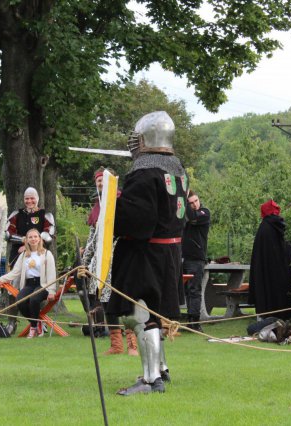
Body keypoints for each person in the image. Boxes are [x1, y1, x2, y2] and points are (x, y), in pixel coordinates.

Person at [106, 111, 188, 395]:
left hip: (145, 254)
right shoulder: (177, 169)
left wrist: (112, 209)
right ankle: (162, 368)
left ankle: (149, 379)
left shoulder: (144, 172)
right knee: (155, 311)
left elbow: (138, 220)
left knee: (141, 315)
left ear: (145, 139)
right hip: (168, 253)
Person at [82, 167, 138, 356]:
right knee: (107, 302)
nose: (100, 183)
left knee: (126, 301)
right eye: (98, 180)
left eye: (104, 180)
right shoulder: (97, 207)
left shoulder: (123, 203)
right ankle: (116, 345)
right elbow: (93, 239)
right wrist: (84, 262)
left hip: (121, 260)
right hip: (101, 264)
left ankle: (132, 343)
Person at [0, 228, 57, 337]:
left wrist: (52, 291)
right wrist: (1, 279)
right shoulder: (24, 255)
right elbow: (15, 272)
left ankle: (33, 328)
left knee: (34, 299)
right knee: (20, 300)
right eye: (30, 237)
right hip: (29, 284)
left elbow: (52, 274)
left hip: (43, 285)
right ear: (27, 240)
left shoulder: (47, 254)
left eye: (35, 237)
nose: (33, 239)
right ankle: (36, 322)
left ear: (39, 239)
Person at [248, 200, 291, 320]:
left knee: (267, 287)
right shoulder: (279, 225)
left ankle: (268, 315)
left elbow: (259, 256)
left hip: (267, 269)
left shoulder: (264, 227)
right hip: (280, 267)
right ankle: (282, 315)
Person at [181, 190, 210, 332]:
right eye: (191, 203)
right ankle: (189, 320)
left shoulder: (204, 213)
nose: (194, 205)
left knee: (195, 290)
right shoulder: (184, 215)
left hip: (196, 259)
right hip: (182, 258)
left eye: (195, 201)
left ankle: (195, 322)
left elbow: (192, 216)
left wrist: (184, 197)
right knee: (186, 291)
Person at [6, 187, 55, 267]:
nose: (29, 201)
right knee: (15, 278)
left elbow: (47, 237)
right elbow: (8, 234)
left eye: (32, 198)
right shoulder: (16, 215)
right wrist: (24, 240)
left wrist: (27, 246)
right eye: (27, 198)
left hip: (39, 254)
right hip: (18, 254)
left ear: (37, 198)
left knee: (40, 278)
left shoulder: (46, 216)